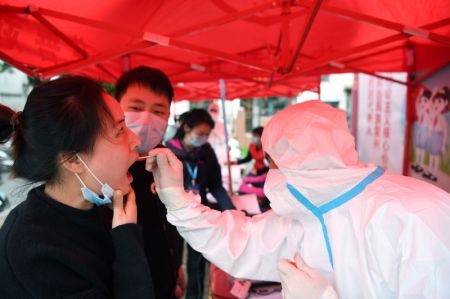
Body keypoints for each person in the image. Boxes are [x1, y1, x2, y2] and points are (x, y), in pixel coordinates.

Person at [149, 100, 450, 298]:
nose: (270, 174)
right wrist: (177, 200)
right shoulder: (307, 213)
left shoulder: (419, 215)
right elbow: (243, 241)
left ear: (296, 157)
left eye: (272, 161)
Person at [0, 76, 154, 298]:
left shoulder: (103, 209)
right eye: (119, 130)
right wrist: (127, 238)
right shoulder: (31, 248)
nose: (136, 140)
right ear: (72, 161)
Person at [107, 66, 185, 299]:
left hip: (166, 282)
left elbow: (172, 221)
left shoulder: (168, 161)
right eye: (136, 108)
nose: (146, 118)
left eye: (158, 110)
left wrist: (177, 264)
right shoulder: (103, 166)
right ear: (116, 107)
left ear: (168, 116)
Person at [166, 108, 236, 299]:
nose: (204, 138)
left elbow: (215, 186)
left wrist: (232, 211)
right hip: (172, 215)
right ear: (187, 127)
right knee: (173, 259)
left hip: (199, 214)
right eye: (200, 134)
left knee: (198, 262)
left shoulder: (206, 152)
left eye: (207, 134)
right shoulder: (167, 151)